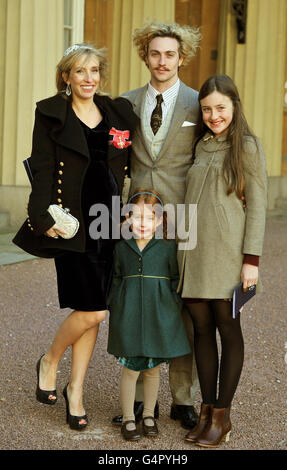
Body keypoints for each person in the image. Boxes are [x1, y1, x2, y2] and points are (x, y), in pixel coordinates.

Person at [13, 43, 138, 430]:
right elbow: (44, 167)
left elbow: (129, 162)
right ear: (66, 76)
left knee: (93, 310)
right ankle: (50, 360)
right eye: (80, 71)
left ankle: (76, 391)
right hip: (71, 224)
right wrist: (39, 216)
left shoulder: (117, 112)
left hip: (109, 223)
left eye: (95, 70)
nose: (89, 78)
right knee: (94, 309)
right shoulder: (50, 112)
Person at [112, 21, 202, 430]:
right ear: (145, 57)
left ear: (181, 58)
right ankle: (134, 395)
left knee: (180, 307)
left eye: (170, 54)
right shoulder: (125, 104)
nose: (162, 61)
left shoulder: (200, 104)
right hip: (136, 220)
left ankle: (182, 398)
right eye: (155, 54)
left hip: (182, 220)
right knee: (135, 294)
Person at [177, 74, 267, 447]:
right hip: (193, 250)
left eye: (221, 108)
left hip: (229, 253)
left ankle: (222, 417)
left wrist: (252, 260)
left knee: (228, 329)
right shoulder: (200, 145)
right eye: (208, 109)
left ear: (234, 107)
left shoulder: (246, 145)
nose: (214, 115)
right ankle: (206, 409)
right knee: (200, 330)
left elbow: (258, 205)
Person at [107, 190, 191, 440]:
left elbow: (176, 280)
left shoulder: (167, 249)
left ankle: (149, 415)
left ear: (159, 221)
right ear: (128, 219)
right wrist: (117, 304)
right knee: (130, 369)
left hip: (158, 317)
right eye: (136, 217)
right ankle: (129, 418)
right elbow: (116, 279)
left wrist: (171, 306)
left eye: (149, 218)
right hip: (129, 316)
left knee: (153, 370)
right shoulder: (121, 248)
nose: (142, 223)